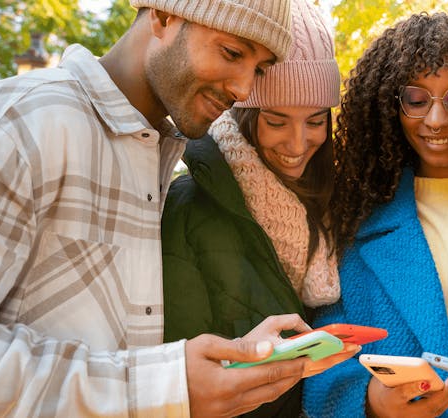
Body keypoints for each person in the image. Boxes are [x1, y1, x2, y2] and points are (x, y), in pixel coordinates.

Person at [0, 1, 341, 416]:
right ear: (162, 16)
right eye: (232, 53)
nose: (244, 90)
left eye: (261, 69)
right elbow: (149, 382)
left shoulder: (158, 149)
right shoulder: (21, 124)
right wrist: (166, 385)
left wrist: (238, 355)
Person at [303, 12, 448, 418]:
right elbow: (320, 363)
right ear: (389, 106)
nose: (436, 119)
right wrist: (370, 402)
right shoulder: (349, 223)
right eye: (416, 99)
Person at [160, 0, 353, 416]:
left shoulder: (339, 206)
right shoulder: (187, 208)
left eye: (316, 121)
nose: (299, 145)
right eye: (277, 121)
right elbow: (179, 377)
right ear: (243, 112)